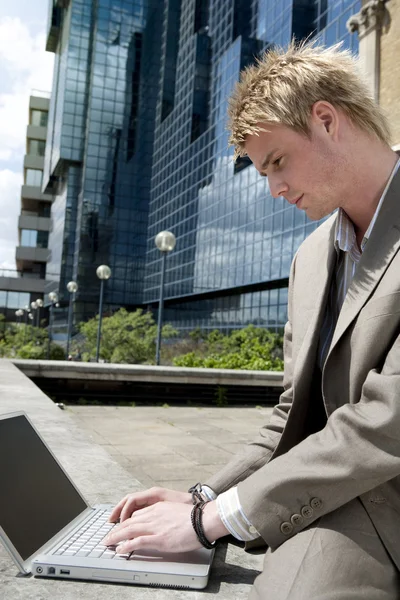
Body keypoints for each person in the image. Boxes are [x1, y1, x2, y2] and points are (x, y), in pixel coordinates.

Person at [103, 41, 400, 599]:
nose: (274, 189)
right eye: (263, 172)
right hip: (328, 493)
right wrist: (204, 499)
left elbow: (389, 420)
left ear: (327, 120)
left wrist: (209, 523)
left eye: (278, 162)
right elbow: (294, 416)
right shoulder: (311, 257)